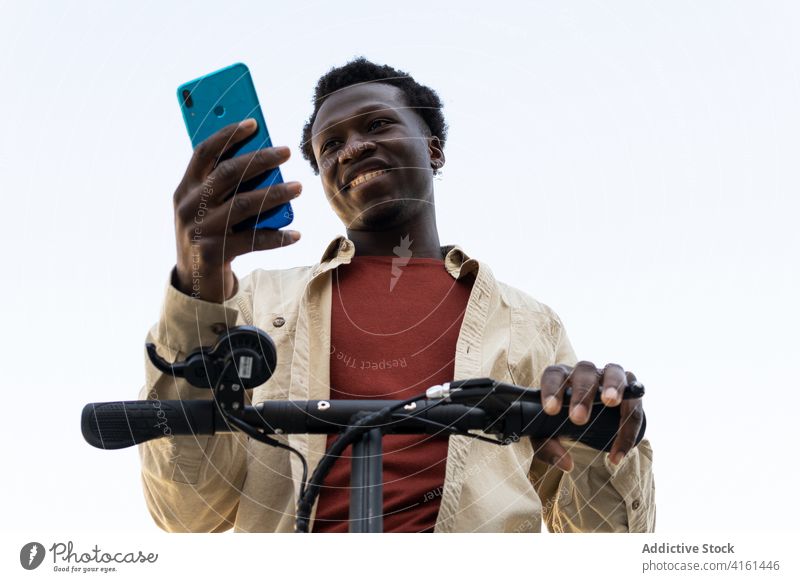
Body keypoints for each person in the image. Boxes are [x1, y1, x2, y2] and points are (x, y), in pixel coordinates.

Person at [138, 57, 655, 533]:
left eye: (377, 124)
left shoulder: (526, 323)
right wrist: (198, 282)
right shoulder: (252, 305)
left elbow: (604, 538)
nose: (353, 148)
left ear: (434, 149)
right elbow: (187, 508)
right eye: (330, 146)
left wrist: (601, 434)